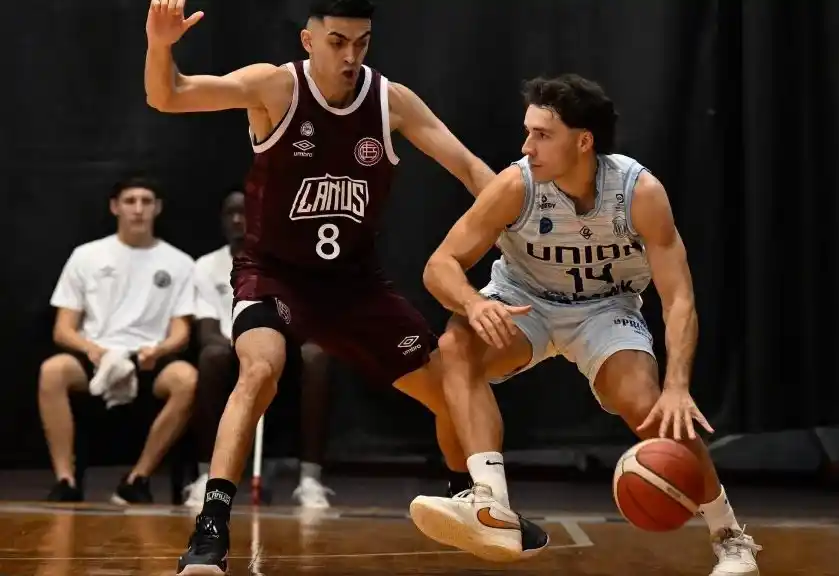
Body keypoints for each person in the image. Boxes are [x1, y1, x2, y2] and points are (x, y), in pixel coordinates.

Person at [144, 0, 497, 572]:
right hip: (275, 275)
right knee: (260, 371)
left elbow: (472, 169)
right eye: (338, 41)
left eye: (361, 43)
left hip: (355, 285)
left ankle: (473, 505)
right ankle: (211, 527)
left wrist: (523, 221)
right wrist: (161, 48)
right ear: (309, 42)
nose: (351, 56)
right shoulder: (274, 87)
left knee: (453, 392)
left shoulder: (391, 100)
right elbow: (170, 95)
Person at [408, 74, 762, 575]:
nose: (526, 145)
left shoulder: (639, 192)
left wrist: (678, 385)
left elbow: (678, 296)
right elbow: (439, 264)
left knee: (652, 408)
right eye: (527, 132)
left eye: (541, 134)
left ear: (583, 140)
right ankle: (491, 505)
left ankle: (732, 539)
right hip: (522, 301)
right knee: (454, 345)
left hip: (605, 309)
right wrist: (472, 302)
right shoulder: (516, 185)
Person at [39, 176, 198, 505]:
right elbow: (63, 328)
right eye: (130, 201)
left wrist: (161, 349)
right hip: (96, 355)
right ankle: (65, 480)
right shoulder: (86, 256)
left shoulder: (180, 263)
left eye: (145, 201)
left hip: (148, 356)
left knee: (188, 380)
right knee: (52, 371)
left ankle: (137, 479)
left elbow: (181, 330)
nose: (138, 209)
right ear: (115, 207)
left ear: (157, 208)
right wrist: (91, 349)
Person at [187, 190, 334, 509]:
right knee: (210, 357)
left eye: (247, 212)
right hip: (230, 348)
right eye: (232, 213)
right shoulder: (206, 266)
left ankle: (310, 479)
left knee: (317, 355)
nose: (239, 220)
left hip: (283, 346)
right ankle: (205, 476)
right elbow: (206, 329)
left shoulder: (289, 261)